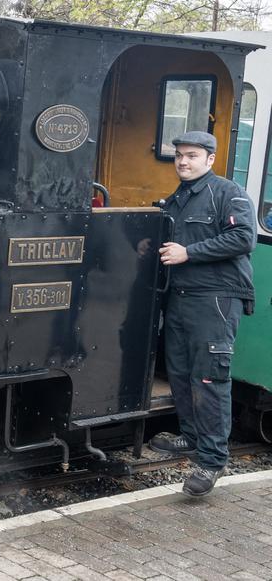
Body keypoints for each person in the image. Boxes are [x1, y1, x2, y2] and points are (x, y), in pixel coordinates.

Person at [149, 130, 256, 497]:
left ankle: (212, 460)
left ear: (210, 159)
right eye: (179, 155)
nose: (183, 161)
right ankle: (191, 437)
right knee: (180, 371)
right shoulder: (177, 198)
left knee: (210, 378)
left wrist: (189, 252)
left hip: (215, 299)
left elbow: (244, 238)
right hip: (179, 297)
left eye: (192, 155)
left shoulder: (227, 192)